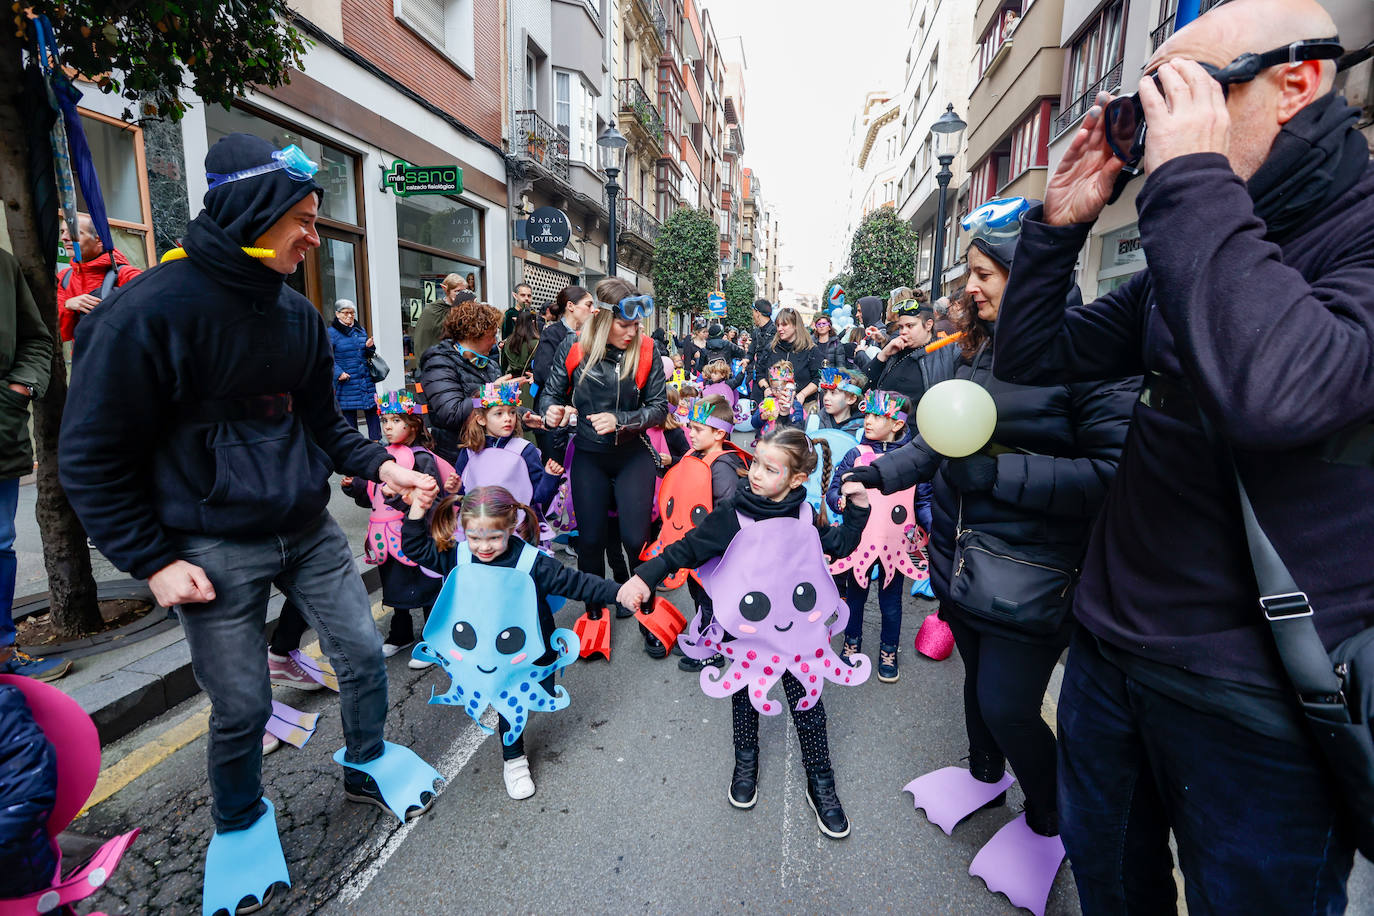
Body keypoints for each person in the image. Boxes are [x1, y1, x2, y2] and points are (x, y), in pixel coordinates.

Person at [988, 2, 1374, 909]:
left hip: (1262, 701)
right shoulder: (1187, 236)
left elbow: (1274, 390)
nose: (1154, 126)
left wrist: (1194, 178)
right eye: (1145, 102)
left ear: (1297, 82)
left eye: (1179, 93)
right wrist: (1058, 231)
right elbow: (1036, 361)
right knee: (1113, 890)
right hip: (1111, 655)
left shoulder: (1346, 235)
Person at [58, 133, 442, 908]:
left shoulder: (296, 317)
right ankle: (238, 821)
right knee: (241, 705)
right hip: (208, 545)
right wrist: (152, 561)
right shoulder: (144, 316)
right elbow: (90, 458)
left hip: (306, 527)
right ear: (253, 213)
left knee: (365, 655)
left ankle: (366, 759)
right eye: (301, 218)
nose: (314, 234)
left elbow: (327, 425)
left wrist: (382, 466)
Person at [847, 196, 1136, 909]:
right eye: (971, 274)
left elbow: (1112, 471)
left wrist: (1000, 474)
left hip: (1030, 573)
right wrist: (875, 474)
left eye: (986, 274)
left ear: (1029, 271)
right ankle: (982, 777)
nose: (971, 288)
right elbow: (938, 438)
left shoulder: (1092, 350)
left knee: (1011, 704)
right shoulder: (976, 350)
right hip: (960, 558)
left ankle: (1047, 820)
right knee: (977, 688)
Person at [621, 427, 873, 839]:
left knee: (809, 707)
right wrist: (645, 578)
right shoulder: (732, 514)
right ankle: (746, 760)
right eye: (755, 462)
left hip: (796, 634)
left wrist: (859, 508)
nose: (755, 473)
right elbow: (685, 549)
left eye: (769, 469)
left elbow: (842, 545)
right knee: (745, 697)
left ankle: (821, 782)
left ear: (795, 480)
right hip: (749, 631)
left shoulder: (805, 516)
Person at [400, 484, 621, 799]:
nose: (484, 547)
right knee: (503, 699)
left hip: (523, 652)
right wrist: (417, 512)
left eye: (494, 537)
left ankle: (514, 759)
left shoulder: (532, 562)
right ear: (464, 530)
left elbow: (577, 584)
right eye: (475, 537)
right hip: (479, 651)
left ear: (511, 527)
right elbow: (415, 548)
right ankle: (514, 758)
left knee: (512, 701)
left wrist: (619, 592)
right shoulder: (459, 555)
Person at [537, 278, 669, 659]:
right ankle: (595, 618)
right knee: (591, 541)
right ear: (602, 319)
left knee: (635, 540)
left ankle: (647, 613)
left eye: (636, 326)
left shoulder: (647, 350)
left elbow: (659, 408)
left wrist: (621, 420)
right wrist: (552, 410)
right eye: (624, 325)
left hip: (632, 455)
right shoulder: (573, 346)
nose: (632, 332)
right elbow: (550, 392)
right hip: (590, 457)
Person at [341, 390, 451, 660]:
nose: (388, 426)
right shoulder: (381, 457)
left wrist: (402, 502)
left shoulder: (421, 458)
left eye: (395, 420)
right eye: (385, 420)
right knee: (395, 588)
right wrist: (353, 486)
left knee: (426, 585)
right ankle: (400, 633)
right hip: (386, 538)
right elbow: (372, 498)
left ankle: (434, 637)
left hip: (416, 535)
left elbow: (431, 501)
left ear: (413, 424)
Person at [0, 250, 61, 681]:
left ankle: (2, 653)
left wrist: (17, 391)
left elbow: (36, 338)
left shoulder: (2, 265)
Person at [828, 391, 913, 682]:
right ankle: (852, 641)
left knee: (891, 602)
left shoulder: (910, 459)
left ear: (897, 425)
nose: (869, 421)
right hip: (860, 542)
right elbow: (835, 487)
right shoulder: (855, 454)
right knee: (855, 597)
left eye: (878, 416)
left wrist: (926, 528)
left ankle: (889, 649)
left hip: (895, 545)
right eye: (867, 414)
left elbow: (922, 499)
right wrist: (838, 499)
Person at [420, 299, 541, 462]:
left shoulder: (489, 364)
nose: (494, 342)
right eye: (491, 335)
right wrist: (491, 390)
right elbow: (450, 413)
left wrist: (523, 416)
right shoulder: (439, 362)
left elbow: (498, 409)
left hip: (492, 453)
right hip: (458, 456)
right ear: (474, 334)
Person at [453, 381, 562, 512]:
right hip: (478, 527)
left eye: (512, 412)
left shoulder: (525, 450)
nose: (508, 418)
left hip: (517, 526)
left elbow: (538, 497)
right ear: (481, 419)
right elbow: (462, 497)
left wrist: (549, 477)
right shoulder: (470, 452)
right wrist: (454, 489)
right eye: (499, 413)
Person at [56, 212, 141, 346]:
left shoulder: (127, 275)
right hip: (84, 362)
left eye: (74, 232)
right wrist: (68, 306)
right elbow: (59, 334)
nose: (65, 238)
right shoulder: (64, 278)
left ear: (99, 240)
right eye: (62, 231)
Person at [867, 290, 957, 407]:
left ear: (928, 325)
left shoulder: (945, 354)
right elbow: (865, 384)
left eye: (910, 326)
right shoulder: (897, 351)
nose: (903, 332)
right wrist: (883, 354)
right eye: (901, 327)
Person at [327, 300, 380, 441]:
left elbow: (367, 354)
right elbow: (327, 357)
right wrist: (339, 373)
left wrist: (369, 347)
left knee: (371, 409)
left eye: (352, 313)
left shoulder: (360, 329)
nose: (350, 316)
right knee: (348, 413)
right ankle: (354, 442)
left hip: (364, 377)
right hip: (347, 379)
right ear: (337, 314)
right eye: (346, 313)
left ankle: (376, 440)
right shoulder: (331, 333)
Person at [752, 307, 820, 404]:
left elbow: (818, 378)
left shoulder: (811, 350)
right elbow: (759, 372)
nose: (779, 329)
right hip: (774, 405)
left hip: (802, 405)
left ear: (796, 325)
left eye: (784, 325)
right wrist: (766, 389)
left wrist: (803, 395)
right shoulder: (771, 348)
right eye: (778, 325)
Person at [412, 273, 467, 360]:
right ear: (446, 290)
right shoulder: (433, 309)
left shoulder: (463, 309)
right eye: (457, 291)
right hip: (434, 358)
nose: (460, 295)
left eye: (463, 291)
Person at [750, 363, 804, 437]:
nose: (777, 392)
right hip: (767, 440)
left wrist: (784, 415)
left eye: (780, 388)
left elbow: (799, 422)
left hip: (787, 440)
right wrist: (762, 417)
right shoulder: (767, 401)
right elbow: (754, 423)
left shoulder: (794, 404)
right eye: (774, 388)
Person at [813, 366, 865, 434]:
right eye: (825, 392)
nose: (826, 397)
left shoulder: (862, 429)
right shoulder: (815, 423)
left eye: (833, 393)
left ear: (851, 399)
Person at [499, 310, 540, 380]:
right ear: (532, 322)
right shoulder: (537, 343)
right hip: (529, 381)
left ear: (517, 321)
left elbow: (503, 365)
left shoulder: (508, 341)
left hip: (510, 381)